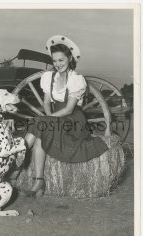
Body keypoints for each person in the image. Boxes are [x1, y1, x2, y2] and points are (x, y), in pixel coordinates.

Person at [21, 35, 109, 197]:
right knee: (40, 134)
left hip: (72, 120)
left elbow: (69, 109)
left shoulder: (76, 80)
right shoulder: (49, 77)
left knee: (39, 125)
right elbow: (46, 101)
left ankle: (16, 164)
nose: (57, 64)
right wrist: (48, 117)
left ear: (69, 58)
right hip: (54, 116)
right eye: (54, 61)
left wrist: (48, 119)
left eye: (61, 60)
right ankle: (38, 180)